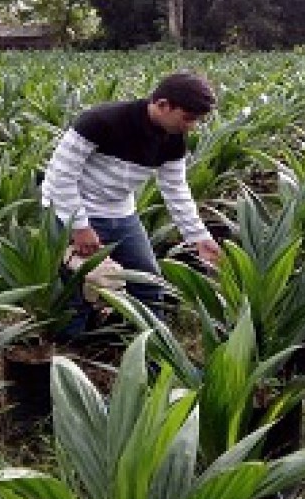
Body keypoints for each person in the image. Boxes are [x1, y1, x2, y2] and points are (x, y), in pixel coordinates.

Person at [41, 71, 223, 337]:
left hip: (120, 212)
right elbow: (60, 176)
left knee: (148, 282)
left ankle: (154, 346)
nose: (192, 126)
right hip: (69, 209)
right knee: (73, 289)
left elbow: (175, 189)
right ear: (162, 105)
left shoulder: (173, 140)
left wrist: (198, 236)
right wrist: (79, 226)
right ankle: (72, 352)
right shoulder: (100, 121)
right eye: (188, 118)